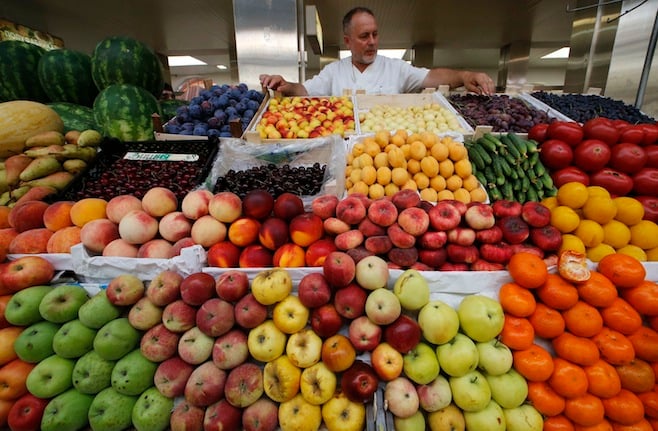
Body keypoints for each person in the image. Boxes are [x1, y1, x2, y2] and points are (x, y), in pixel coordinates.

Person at [259, 6, 496, 96]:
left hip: (388, 161)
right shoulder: (333, 72)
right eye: (364, 36)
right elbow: (304, 90)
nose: (372, 41)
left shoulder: (395, 68)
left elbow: (433, 76)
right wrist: (285, 84)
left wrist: (465, 76)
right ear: (348, 41)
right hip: (347, 157)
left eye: (375, 34)